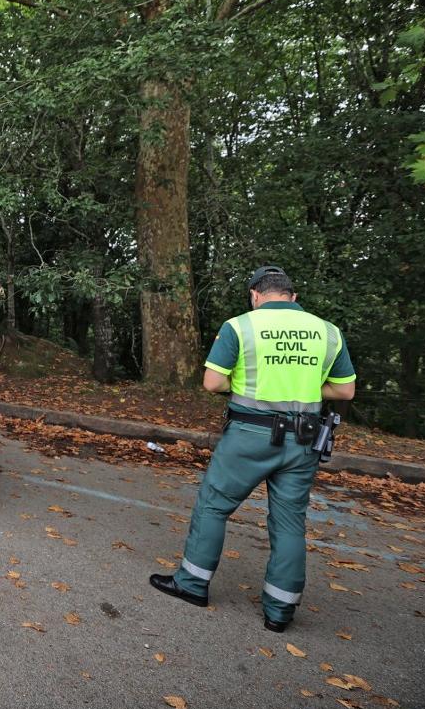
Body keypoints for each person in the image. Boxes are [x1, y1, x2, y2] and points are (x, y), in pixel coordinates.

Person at [149, 266, 356, 633]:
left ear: (255, 295)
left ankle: (192, 583)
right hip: (305, 439)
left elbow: (213, 382)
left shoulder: (241, 326)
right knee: (290, 522)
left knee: (214, 504)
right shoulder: (328, 332)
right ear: (293, 297)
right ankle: (279, 612)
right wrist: (304, 391)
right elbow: (344, 391)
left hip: (250, 434)